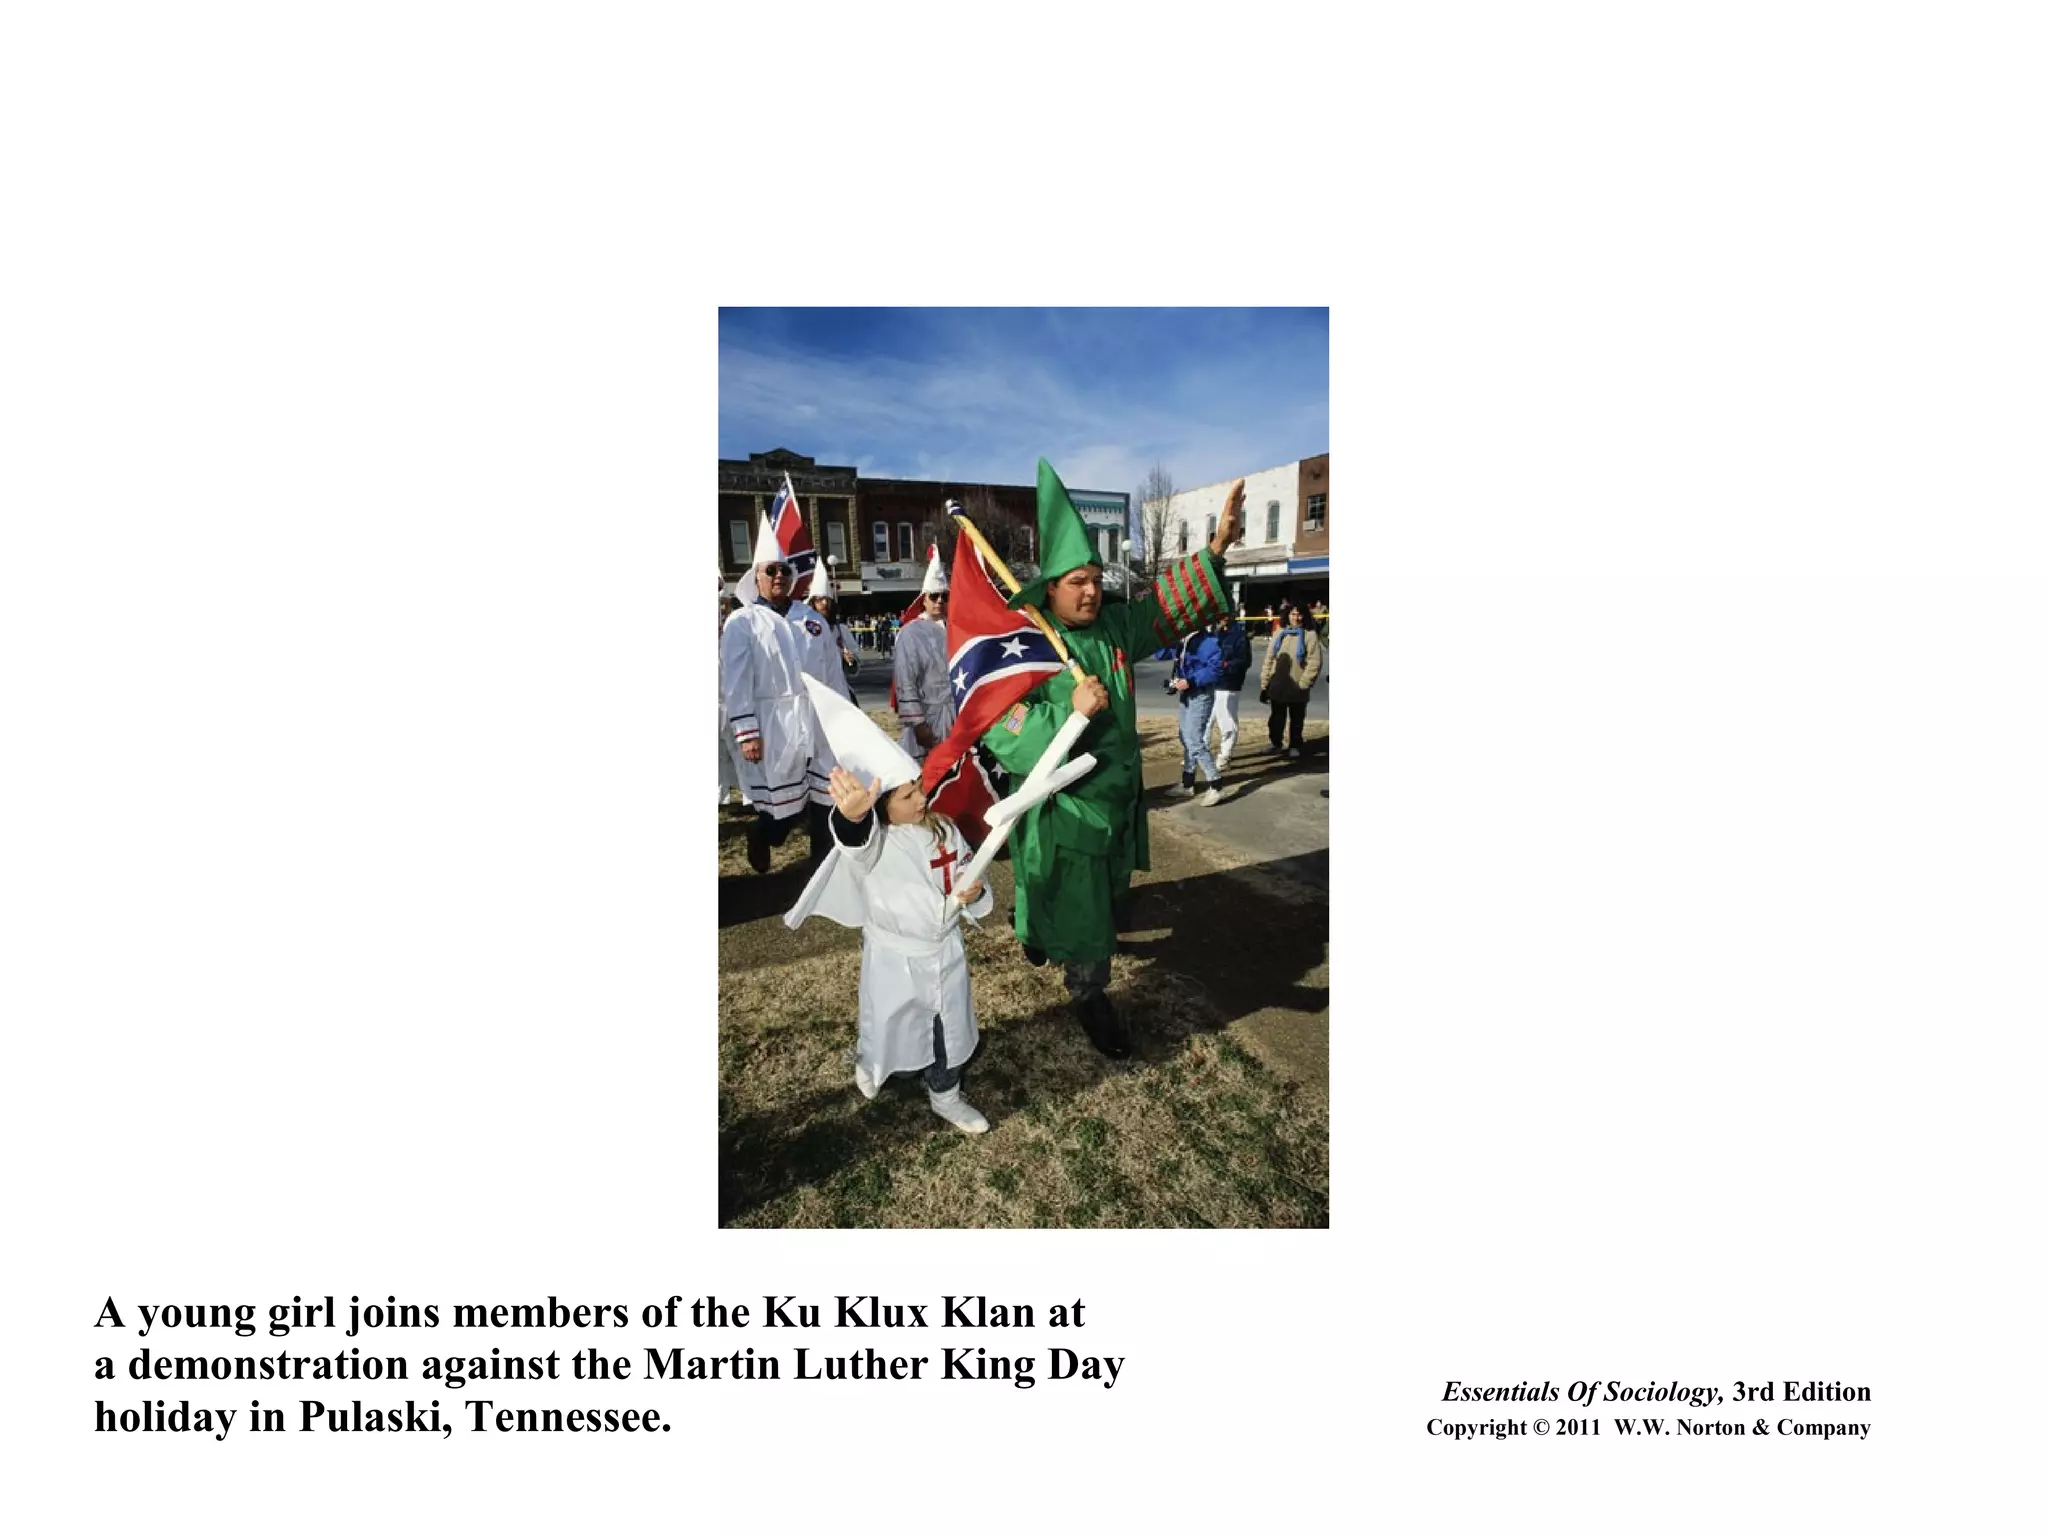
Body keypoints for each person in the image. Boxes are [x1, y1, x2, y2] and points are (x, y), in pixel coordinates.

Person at [976, 459, 1242, 1059]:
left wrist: (1217, 550)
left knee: (1094, 899)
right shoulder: (1025, 641)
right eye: (1077, 580)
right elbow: (999, 725)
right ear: (1050, 586)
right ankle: (1088, 994)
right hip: (1063, 810)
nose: (1091, 589)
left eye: (1095, 576)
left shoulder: (1116, 628)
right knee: (1081, 907)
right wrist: (1069, 711)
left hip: (1115, 801)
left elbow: (1164, 608)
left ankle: (1040, 931)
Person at [785, 680, 994, 1135]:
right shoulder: (875, 844)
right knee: (890, 1024)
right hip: (895, 958)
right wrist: (855, 817)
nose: (922, 799)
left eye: (920, 788)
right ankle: (873, 1060)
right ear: (881, 805)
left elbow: (967, 873)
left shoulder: (943, 830)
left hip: (944, 951)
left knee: (946, 1031)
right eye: (907, 795)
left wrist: (975, 893)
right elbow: (855, 846)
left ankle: (946, 1094)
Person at [720, 556, 837, 872]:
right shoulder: (743, 622)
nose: (778, 576)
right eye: (770, 570)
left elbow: (832, 672)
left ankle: (822, 873)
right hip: (774, 724)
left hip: (815, 718)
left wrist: (840, 716)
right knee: (784, 810)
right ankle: (762, 832)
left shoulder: (811, 620)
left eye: (785, 570)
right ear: (755, 576)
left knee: (826, 796)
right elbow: (736, 680)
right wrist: (746, 731)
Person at [892, 548, 954, 761]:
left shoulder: (956, 628)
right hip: (928, 716)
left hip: (956, 716)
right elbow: (905, 680)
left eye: (944, 596)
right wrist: (918, 723)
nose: (939, 601)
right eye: (934, 596)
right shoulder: (910, 633)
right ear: (924, 599)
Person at [1159, 624, 1226, 805]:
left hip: (1201, 693)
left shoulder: (1207, 641)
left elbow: (1216, 669)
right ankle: (1188, 783)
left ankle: (1215, 784)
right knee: (1185, 736)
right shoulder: (1183, 638)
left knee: (1194, 739)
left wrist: (1191, 680)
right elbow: (1161, 654)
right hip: (1188, 693)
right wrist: (1159, 634)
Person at [1260, 602, 1324, 760]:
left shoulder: (1309, 635)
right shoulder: (1280, 632)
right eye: (1293, 614)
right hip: (1278, 685)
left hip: (1298, 686)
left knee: (1296, 719)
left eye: (1299, 614)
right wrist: (1265, 681)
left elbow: (1314, 662)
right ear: (1287, 615)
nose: (1296, 617)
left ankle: (1295, 745)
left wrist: (1304, 683)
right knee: (1276, 718)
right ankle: (1276, 743)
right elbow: (1269, 658)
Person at [1209, 612, 1252, 771]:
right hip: (1212, 682)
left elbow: (1245, 661)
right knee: (1207, 721)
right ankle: (1200, 753)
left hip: (1229, 683)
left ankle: (1225, 755)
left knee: (1226, 720)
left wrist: (1227, 666)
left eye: (1226, 613)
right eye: (1220, 613)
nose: (1222, 617)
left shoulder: (1239, 636)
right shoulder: (1215, 633)